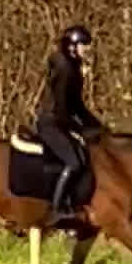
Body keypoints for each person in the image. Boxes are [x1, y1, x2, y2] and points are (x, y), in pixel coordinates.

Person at [35, 24, 102, 219]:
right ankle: (57, 208)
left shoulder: (71, 68)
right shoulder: (64, 69)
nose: (87, 50)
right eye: (84, 45)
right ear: (72, 46)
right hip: (52, 123)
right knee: (74, 162)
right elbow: (62, 107)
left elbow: (77, 106)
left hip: (60, 121)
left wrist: (96, 126)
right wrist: (78, 128)